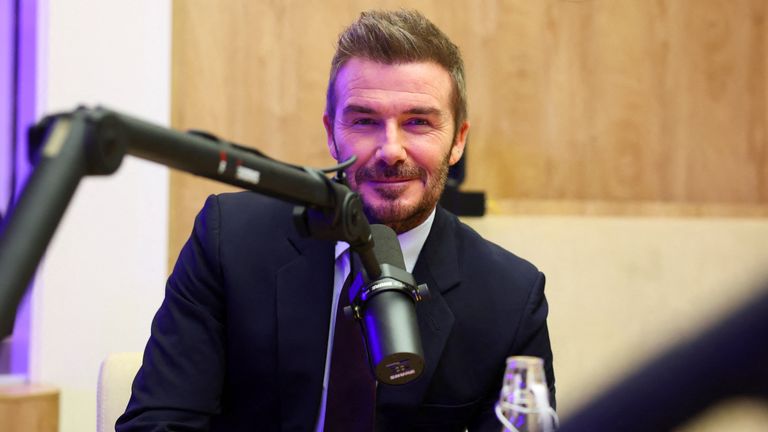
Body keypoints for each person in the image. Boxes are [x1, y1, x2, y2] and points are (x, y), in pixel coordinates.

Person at [117, 9, 554, 431]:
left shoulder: (511, 298)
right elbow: (159, 421)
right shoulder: (229, 240)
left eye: (418, 122)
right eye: (364, 120)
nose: (391, 150)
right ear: (331, 132)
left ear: (458, 141)